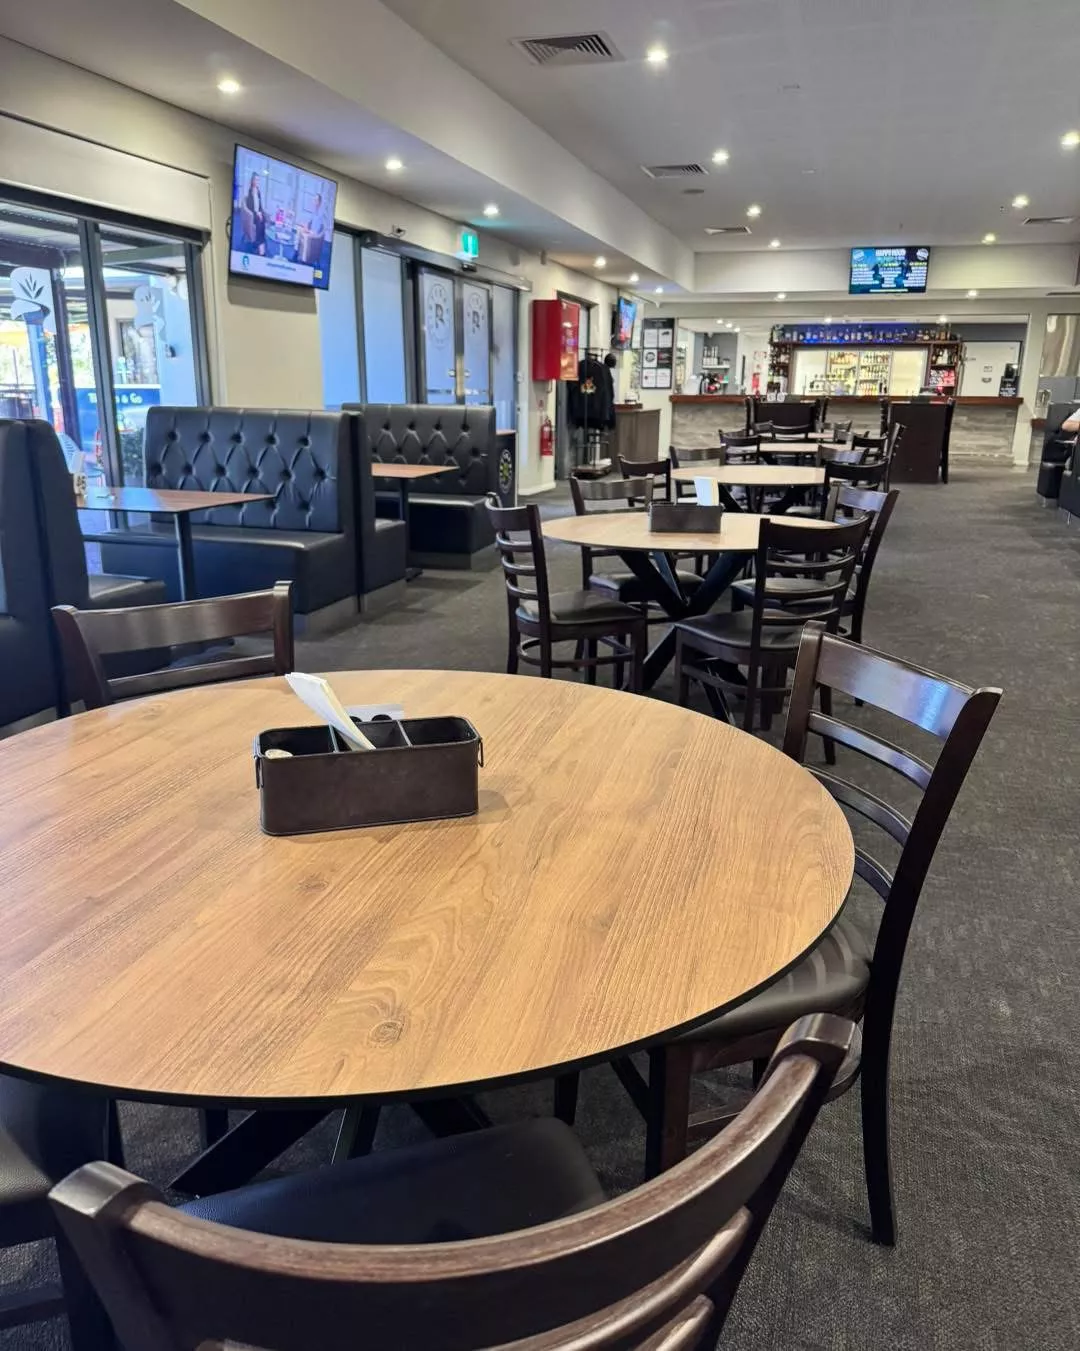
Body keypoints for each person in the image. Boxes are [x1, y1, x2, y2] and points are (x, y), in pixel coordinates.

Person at [243, 172, 266, 255]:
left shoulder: (258, 191)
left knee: (263, 220)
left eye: (258, 180)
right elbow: (249, 206)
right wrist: (257, 213)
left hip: (257, 213)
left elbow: (260, 205)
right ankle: (260, 245)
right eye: (256, 180)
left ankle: (260, 242)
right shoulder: (250, 191)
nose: (257, 182)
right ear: (252, 181)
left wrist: (261, 212)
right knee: (259, 223)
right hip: (252, 214)